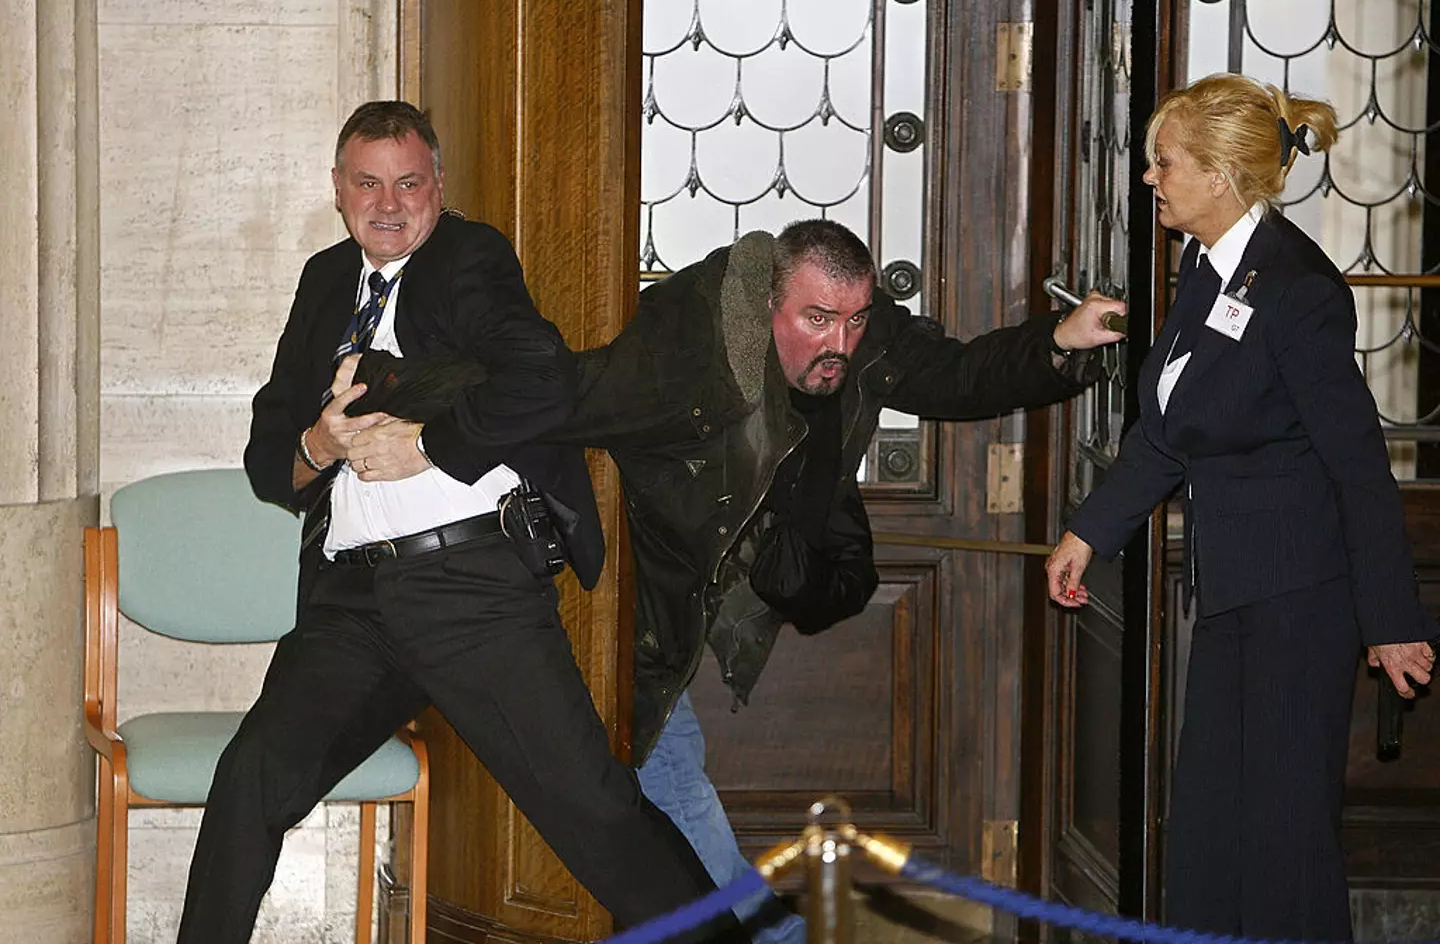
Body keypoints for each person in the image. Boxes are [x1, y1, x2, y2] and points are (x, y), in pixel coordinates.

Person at [319, 218, 1128, 942]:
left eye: (852, 319)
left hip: (730, 571)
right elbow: (559, 392)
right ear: (774, 304)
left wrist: (1062, 339)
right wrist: (409, 411)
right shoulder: (688, 356)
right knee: (666, 771)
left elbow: (959, 376)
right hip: (633, 590)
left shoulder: (865, 339)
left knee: (661, 777)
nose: (838, 342)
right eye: (816, 320)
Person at [176, 100, 744, 944]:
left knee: (594, 809)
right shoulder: (325, 280)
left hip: (470, 591)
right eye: (367, 183)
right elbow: (270, 459)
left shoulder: (468, 259)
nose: (388, 202)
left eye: (409, 182)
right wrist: (319, 442)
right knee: (250, 777)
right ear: (338, 190)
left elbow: (542, 379)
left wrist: (427, 446)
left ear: (438, 186)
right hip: (351, 606)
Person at [1043, 73, 1439, 941]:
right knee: (1214, 832)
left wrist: (1392, 620)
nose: (1150, 178)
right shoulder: (1207, 266)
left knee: (1284, 843)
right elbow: (1172, 428)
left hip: (1302, 603)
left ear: (1219, 176)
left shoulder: (1299, 288)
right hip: (1232, 595)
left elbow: (1360, 466)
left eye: (1165, 162)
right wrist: (1090, 529)